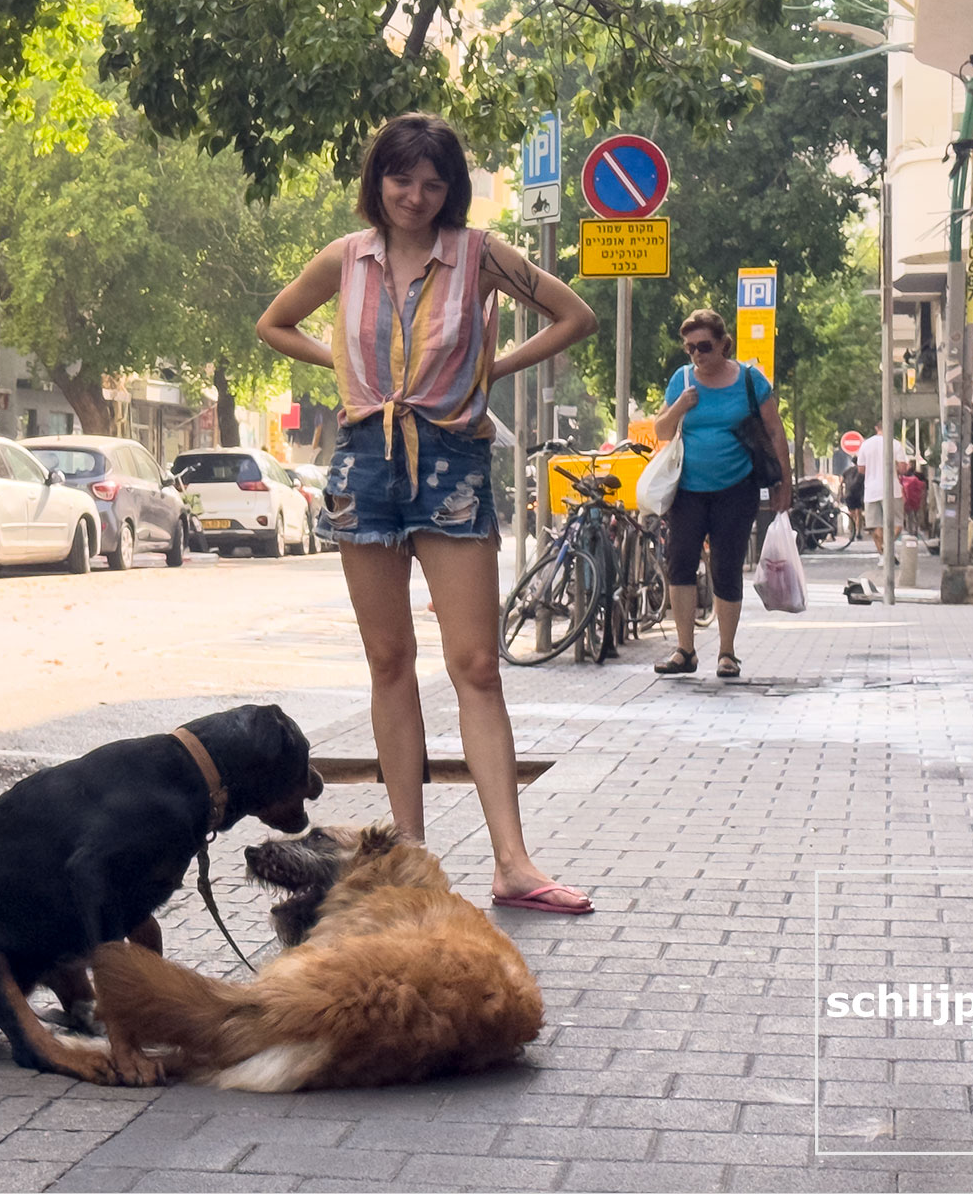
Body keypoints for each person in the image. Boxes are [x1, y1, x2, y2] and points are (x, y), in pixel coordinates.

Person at [257, 113, 599, 913]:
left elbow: (574, 316)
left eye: (433, 182)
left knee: (476, 665)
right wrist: (338, 364)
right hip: (363, 463)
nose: (415, 195)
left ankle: (512, 864)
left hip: (452, 460)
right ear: (378, 181)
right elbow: (274, 325)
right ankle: (407, 859)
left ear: (453, 190)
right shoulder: (344, 261)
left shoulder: (481, 257)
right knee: (388, 661)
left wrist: (491, 367)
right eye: (401, 178)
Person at [651, 310, 792, 680]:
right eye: (690, 348)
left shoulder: (749, 380)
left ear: (722, 345)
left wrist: (784, 483)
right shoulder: (681, 381)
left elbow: (776, 432)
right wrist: (680, 405)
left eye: (705, 346)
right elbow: (662, 430)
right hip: (687, 491)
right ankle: (685, 650)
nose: (697, 354)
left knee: (726, 567)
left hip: (736, 487)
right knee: (680, 564)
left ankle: (727, 653)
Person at [857, 428, 911, 558]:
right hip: (892, 490)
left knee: (875, 526)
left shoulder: (866, 444)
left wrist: (873, 471)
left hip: (871, 490)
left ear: (876, 428)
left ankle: (883, 555)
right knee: (897, 523)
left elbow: (861, 469)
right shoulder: (895, 444)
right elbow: (903, 468)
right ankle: (887, 548)